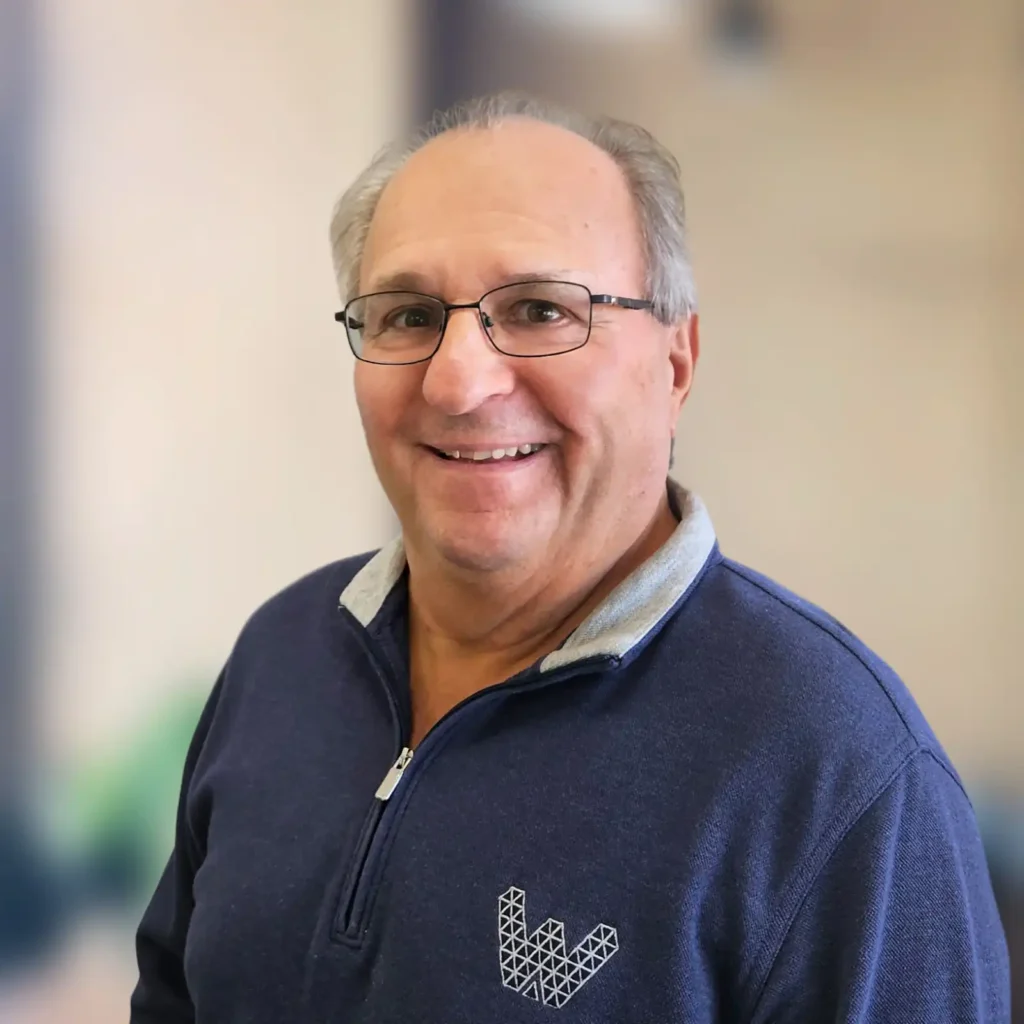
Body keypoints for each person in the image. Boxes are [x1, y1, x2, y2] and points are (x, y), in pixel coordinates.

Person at [130, 92, 1010, 1023]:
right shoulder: (283, 655)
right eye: (407, 316)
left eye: (543, 308)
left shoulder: (842, 777)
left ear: (677, 363)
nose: (460, 382)